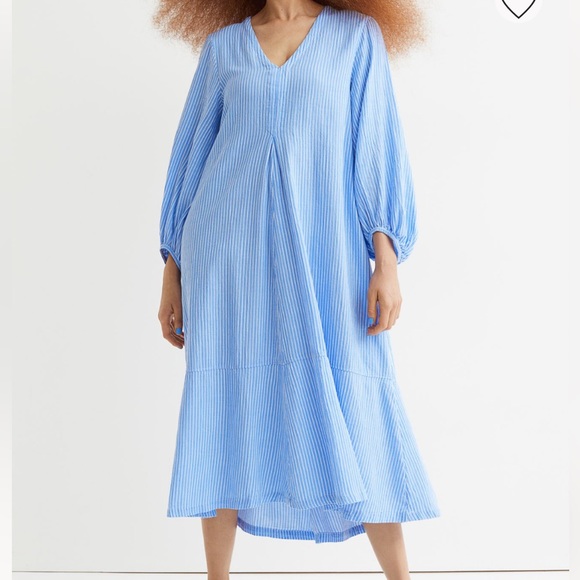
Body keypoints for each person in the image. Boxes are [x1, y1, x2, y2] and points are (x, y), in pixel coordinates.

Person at [155, 1, 440, 578]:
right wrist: (171, 270)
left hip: (327, 255)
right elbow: (190, 159)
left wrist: (385, 260)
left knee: (359, 405)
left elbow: (377, 146)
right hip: (228, 258)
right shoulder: (224, 49)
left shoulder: (356, 39)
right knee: (224, 410)